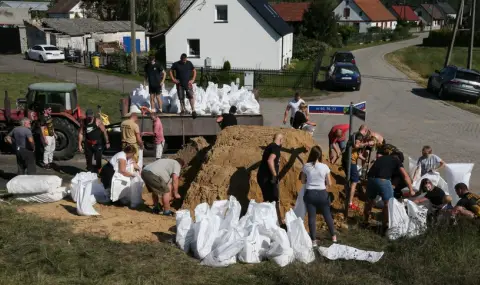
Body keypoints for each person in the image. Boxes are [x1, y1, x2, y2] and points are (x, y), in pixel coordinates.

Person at [364, 147, 414, 231]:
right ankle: (385, 226)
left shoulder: (382, 157)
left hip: (370, 179)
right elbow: (405, 176)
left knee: (369, 200)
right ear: (399, 159)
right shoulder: (397, 161)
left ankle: (365, 221)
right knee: (388, 204)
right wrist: (411, 190)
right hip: (383, 180)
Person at [300, 146, 337, 245]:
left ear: (311, 154)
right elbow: (329, 183)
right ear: (320, 155)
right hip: (322, 194)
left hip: (310, 194)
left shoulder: (306, 166)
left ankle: (313, 241)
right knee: (327, 215)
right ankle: (333, 237)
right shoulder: (325, 167)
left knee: (312, 217)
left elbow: (303, 181)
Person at [257, 133, 283, 225]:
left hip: (262, 177)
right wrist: (275, 175)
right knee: (273, 200)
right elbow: (270, 160)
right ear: (280, 140)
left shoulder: (269, 147)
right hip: (268, 179)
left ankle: (267, 223)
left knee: (268, 200)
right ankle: (272, 224)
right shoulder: (275, 148)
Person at [342, 127, 370, 211]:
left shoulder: (354, 134)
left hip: (346, 159)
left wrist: (364, 159)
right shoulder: (359, 136)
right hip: (351, 161)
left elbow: (355, 151)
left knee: (349, 179)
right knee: (355, 181)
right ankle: (350, 202)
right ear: (365, 131)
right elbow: (357, 145)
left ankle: (347, 197)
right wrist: (367, 143)